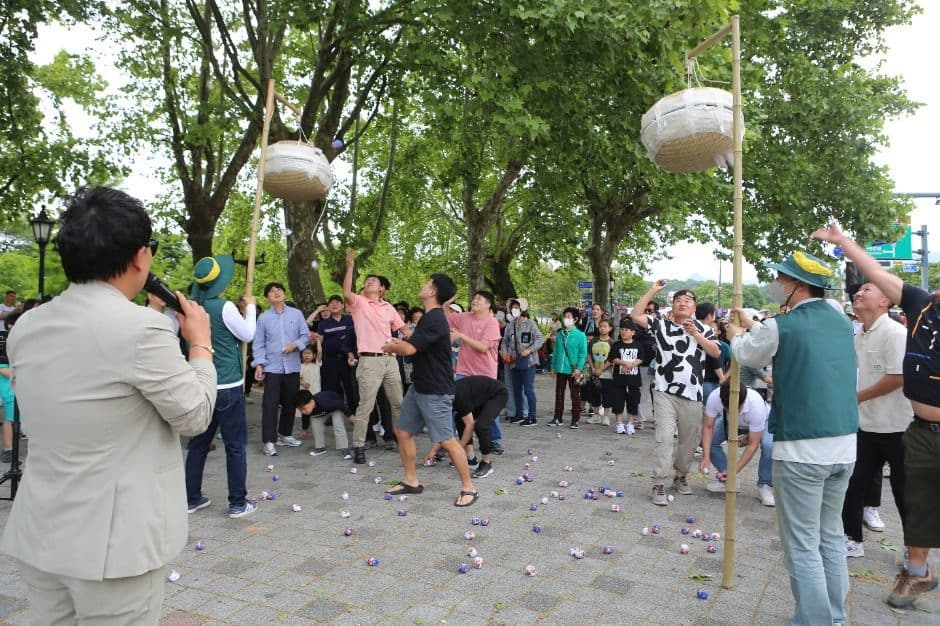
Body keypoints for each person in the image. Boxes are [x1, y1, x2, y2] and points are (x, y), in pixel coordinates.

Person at [0, 186, 216, 624]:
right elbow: (194, 415)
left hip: (40, 530)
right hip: (115, 549)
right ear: (140, 256)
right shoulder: (142, 329)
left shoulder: (26, 327)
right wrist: (201, 345)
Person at [728, 249, 857, 625]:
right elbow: (775, 335)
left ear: (797, 286)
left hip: (801, 449)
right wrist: (754, 325)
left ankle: (815, 621)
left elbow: (747, 354)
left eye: (781, 279)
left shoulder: (781, 326)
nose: (776, 284)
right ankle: (835, 618)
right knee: (830, 537)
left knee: (802, 545)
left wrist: (737, 334)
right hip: (844, 445)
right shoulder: (839, 318)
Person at [813, 223, 939, 608]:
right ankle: (913, 570)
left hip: (906, 426)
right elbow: (875, 271)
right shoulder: (921, 305)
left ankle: (916, 567)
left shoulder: (897, 330)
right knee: (907, 496)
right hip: (909, 427)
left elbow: (896, 376)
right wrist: (842, 242)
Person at [382, 273, 478, 507]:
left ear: (433, 292)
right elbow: (417, 344)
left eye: (427, 283)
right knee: (403, 431)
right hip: (420, 386)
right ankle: (411, 480)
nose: (423, 285)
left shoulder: (435, 318)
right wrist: (401, 343)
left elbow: (410, 349)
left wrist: (392, 347)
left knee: (446, 440)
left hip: (435, 389)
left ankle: (469, 488)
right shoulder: (429, 318)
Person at [631, 284, 720, 505]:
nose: (682, 303)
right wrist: (652, 290)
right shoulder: (661, 325)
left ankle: (680, 476)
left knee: (689, 442)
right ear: (672, 305)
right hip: (664, 391)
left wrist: (695, 334)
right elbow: (635, 315)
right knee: (664, 438)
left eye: (687, 301)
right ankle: (658, 483)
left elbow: (715, 351)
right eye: (678, 300)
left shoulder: (704, 328)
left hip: (692, 394)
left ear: (694, 307)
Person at [184, 255, 258, 519]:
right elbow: (247, 334)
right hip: (228, 385)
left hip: (200, 382)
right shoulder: (224, 307)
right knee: (235, 445)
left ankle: (191, 498)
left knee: (198, 444)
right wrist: (251, 309)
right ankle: (238, 502)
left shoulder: (191, 308)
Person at [841, 281, 911, 559]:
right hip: (865, 425)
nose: (858, 293)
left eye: (867, 290)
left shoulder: (895, 333)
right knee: (853, 484)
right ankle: (852, 539)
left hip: (899, 427)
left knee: (904, 492)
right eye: (859, 291)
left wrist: (858, 397)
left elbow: (899, 377)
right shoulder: (858, 336)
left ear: (885, 301)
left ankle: (913, 550)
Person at [343, 248, 405, 464]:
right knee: (366, 405)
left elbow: (404, 330)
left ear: (382, 289)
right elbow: (346, 293)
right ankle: (359, 445)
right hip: (369, 361)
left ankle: (401, 441)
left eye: (374, 281)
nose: (369, 281)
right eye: (367, 280)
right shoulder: (359, 303)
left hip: (390, 360)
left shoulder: (389, 307)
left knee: (398, 404)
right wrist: (350, 266)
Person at [252, 282, 310, 456]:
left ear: (284, 293)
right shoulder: (263, 318)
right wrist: (259, 364)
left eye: (279, 290)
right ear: (267, 298)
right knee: (270, 404)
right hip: (272, 367)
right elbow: (259, 343)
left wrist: (295, 345)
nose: (276, 292)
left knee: (290, 402)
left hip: (292, 366)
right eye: (271, 291)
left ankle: (285, 434)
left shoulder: (296, 314)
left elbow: (306, 336)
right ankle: (269, 441)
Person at [700, 382, 775, 506]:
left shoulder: (755, 405)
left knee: (769, 446)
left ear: (743, 401)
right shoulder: (715, 396)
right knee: (710, 442)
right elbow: (708, 427)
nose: (733, 412)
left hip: (763, 421)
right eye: (728, 409)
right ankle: (728, 480)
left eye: (737, 409)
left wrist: (734, 471)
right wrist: (706, 457)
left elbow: (753, 444)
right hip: (729, 422)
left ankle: (765, 485)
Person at [452, 375, 509, 479]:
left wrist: (457, 450)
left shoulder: (458, 397)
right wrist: (433, 451)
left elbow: (470, 425)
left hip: (498, 394)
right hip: (482, 397)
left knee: (481, 426)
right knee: (459, 418)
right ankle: (470, 458)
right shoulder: (448, 397)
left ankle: (486, 462)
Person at [499, 297, 544, 426]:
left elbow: (540, 339)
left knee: (528, 389)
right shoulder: (510, 325)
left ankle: (532, 416)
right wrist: (504, 353)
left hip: (528, 361)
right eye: (512, 308)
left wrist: (529, 350)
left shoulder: (530, 324)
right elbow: (504, 341)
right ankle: (519, 414)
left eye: (517, 308)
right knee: (516, 389)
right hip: (513, 361)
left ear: (523, 309)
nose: (514, 310)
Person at [316, 295, 358, 409]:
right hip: (330, 360)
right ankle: (336, 412)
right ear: (328, 307)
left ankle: (354, 412)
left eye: (337, 302)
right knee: (333, 388)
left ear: (343, 306)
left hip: (348, 359)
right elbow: (319, 342)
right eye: (331, 303)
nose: (334, 305)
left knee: (351, 387)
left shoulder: (350, 320)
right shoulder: (323, 324)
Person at [549, 307, 587, 428]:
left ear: (575, 319)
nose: (566, 319)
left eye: (568, 317)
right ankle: (557, 418)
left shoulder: (580, 335)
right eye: (565, 317)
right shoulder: (560, 334)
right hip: (560, 369)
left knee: (575, 395)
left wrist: (578, 368)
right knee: (559, 394)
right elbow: (556, 351)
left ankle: (575, 420)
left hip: (573, 370)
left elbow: (583, 354)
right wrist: (553, 367)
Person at [608, 318, 645, 435]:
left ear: (633, 332)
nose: (623, 332)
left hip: (634, 379)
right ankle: (619, 424)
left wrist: (631, 365)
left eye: (626, 330)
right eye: (622, 329)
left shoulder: (638, 345)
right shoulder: (616, 345)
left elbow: (641, 358)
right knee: (618, 401)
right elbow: (613, 358)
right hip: (619, 379)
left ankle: (630, 423)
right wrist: (624, 363)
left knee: (633, 402)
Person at [295, 389, 352, 459]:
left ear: (312, 401)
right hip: (321, 412)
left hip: (336, 408)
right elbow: (305, 418)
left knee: (338, 424)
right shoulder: (307, 410)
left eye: (303, 408)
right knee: (315, 424)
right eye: (300, 410)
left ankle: (344, 448)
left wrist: (350, 416)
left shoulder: (324, 402)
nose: (303, 411)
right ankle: (320, 447)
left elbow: (341, 404)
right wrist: (305, 429)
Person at [586, 318, 614, 425]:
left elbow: (612, 358)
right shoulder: (593, 341)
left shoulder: (612, 342)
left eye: (605, 326)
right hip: (594, 372)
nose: (602, 328)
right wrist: (593, 368)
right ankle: (596, 415)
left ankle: (606, 416)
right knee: (595, 394)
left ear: (610, 328)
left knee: (607, 395)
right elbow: (589, 355)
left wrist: (601, 369)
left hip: (607, 373)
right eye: (601, 326)